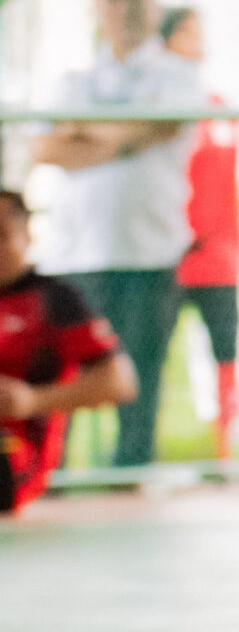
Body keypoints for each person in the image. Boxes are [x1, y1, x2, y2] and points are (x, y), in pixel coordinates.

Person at [26, 0, 203, 466]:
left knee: (140, 377)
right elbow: (44, 147)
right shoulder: (72, 81)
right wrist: (130, 138)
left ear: (155, 8)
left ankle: (130, 475)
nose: (125, 11)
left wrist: (82, 130)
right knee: (62, 372)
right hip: (75, 256)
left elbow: (164, 124)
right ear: (97, 9)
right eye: (114, 0)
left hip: (148, 253)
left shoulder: (177, 77)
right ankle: (51, 474)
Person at [1, 189, 138, 514]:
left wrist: (32, 400)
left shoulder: (55, 300)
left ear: (27, 236)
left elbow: (119, 382)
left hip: (13, 458)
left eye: (1, 236)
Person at [162, 7, 239, 455]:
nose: (198, 41)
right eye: (187, 32)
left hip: (219, 258)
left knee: (226, 352)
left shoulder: (219, 110)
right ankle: (143, 455)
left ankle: (226, 449)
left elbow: (230, 186)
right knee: (153, 355)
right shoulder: (157, 109)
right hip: (169, 257)